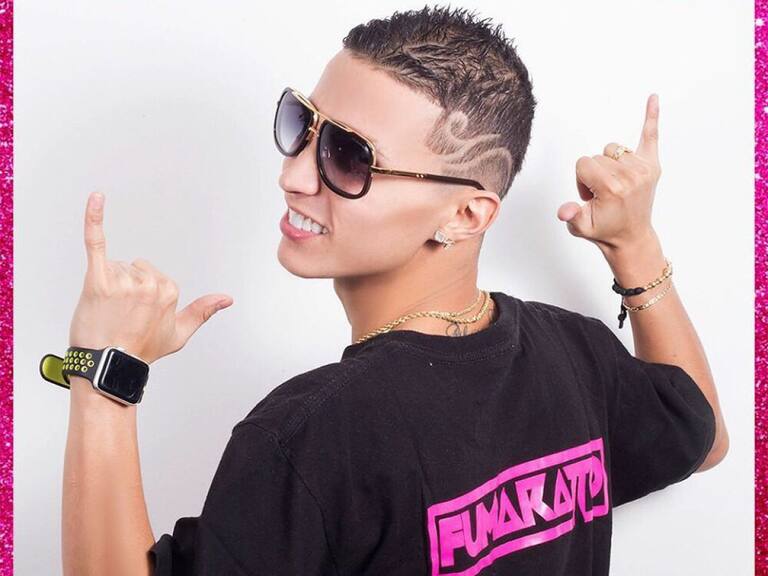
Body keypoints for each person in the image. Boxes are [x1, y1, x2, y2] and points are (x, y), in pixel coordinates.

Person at [60, 5, 729, 575]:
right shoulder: (574, 354)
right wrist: (634, 244)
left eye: (348, 157)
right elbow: (702, 438)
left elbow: (701, 440)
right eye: (301, 125)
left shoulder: (315, 433)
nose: (294, 176)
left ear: (465, 215)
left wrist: (105, 371)